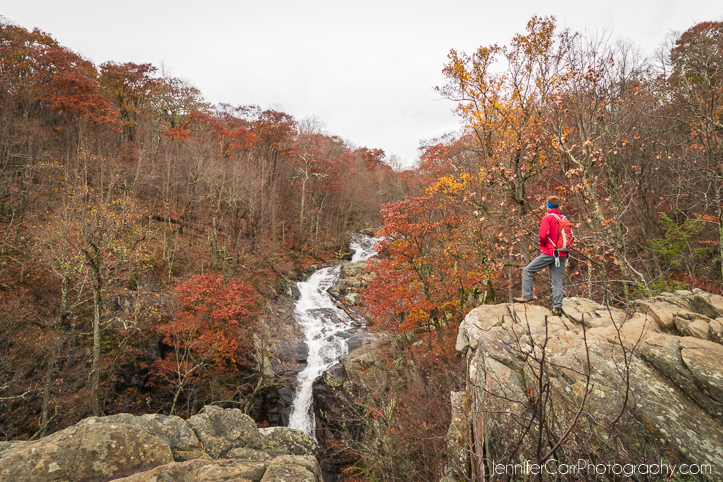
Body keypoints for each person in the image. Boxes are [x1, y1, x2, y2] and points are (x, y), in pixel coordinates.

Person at [513, 195, 567, 316]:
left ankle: (527, 296)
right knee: (557, 280)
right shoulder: (562, 218)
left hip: (549, 252)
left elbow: (543, 236)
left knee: (528, 270)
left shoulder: (547, 218)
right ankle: (557, 307)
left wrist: (543, 245)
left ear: (548, 206)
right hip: (562, 253)